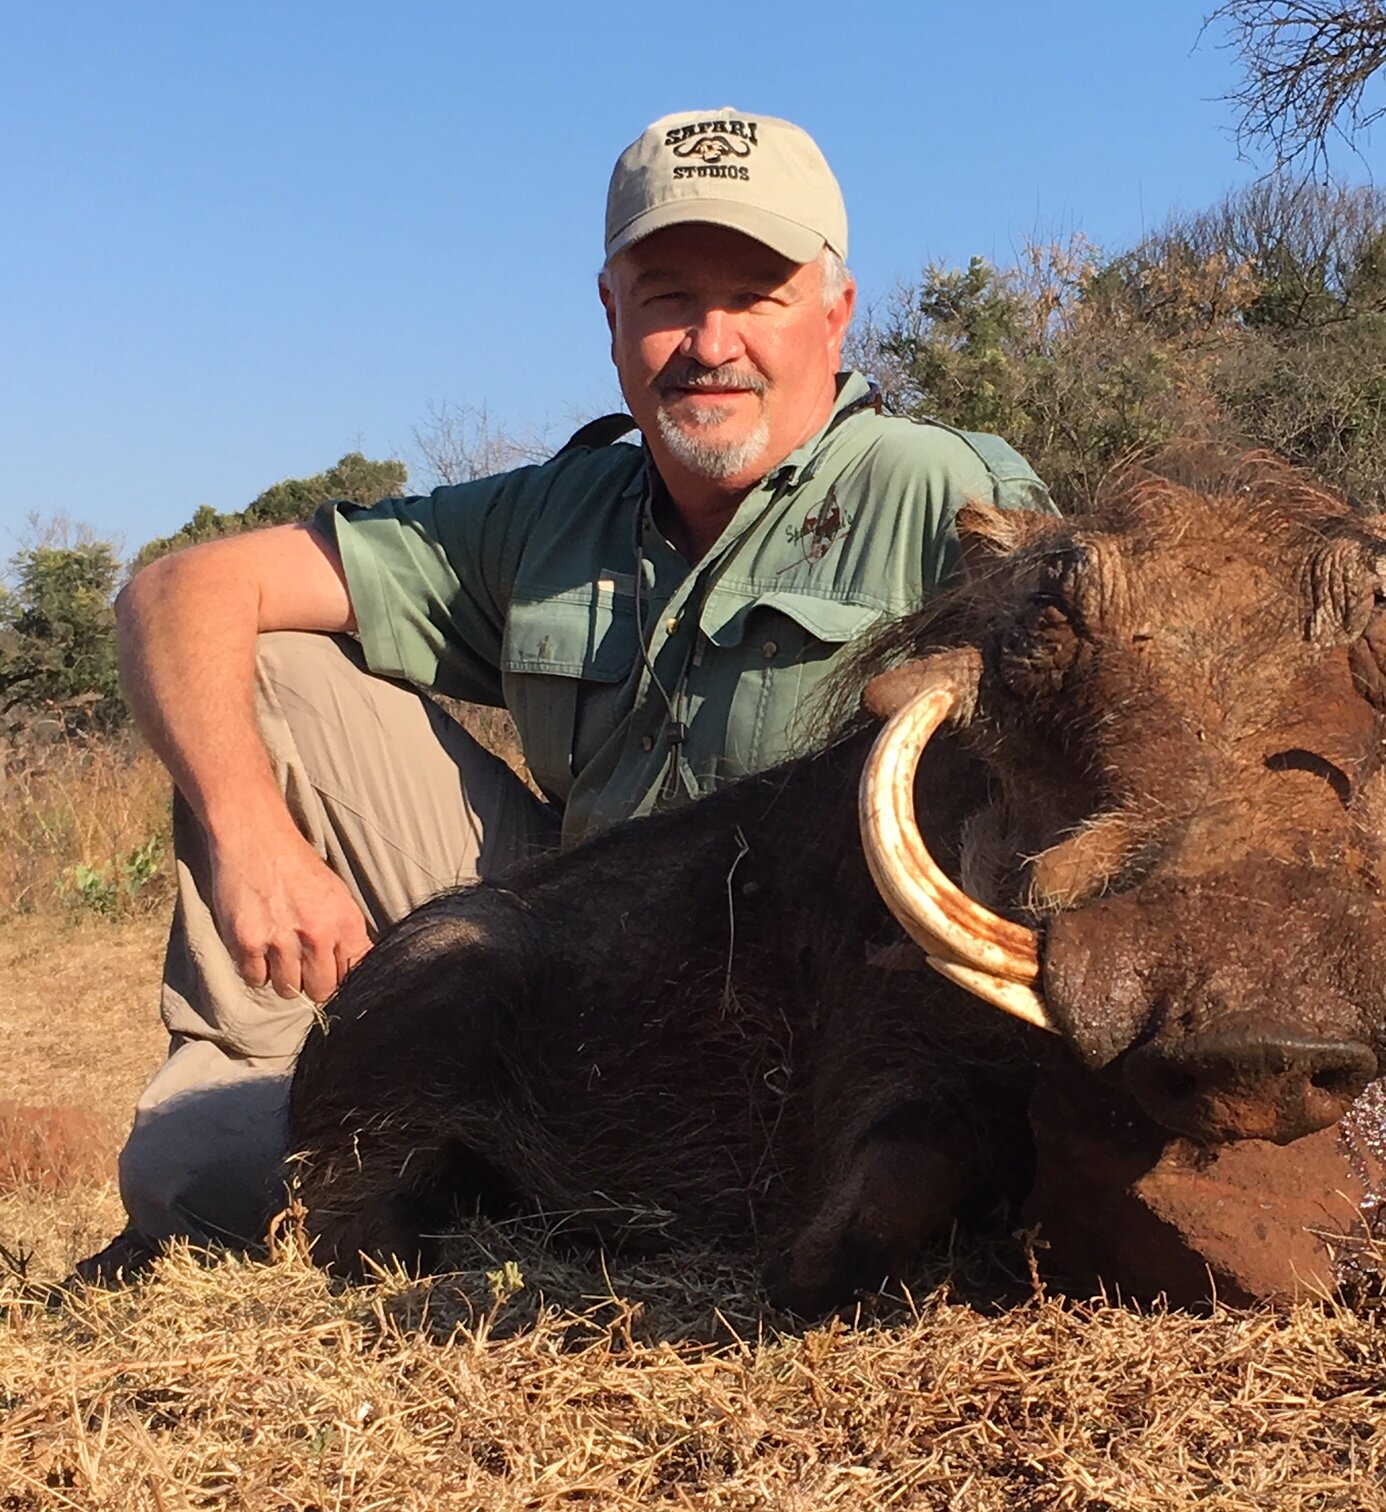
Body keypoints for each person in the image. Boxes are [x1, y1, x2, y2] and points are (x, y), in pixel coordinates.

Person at [85, 108, 1055, 1279]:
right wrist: (255, 836)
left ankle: (415, 1162)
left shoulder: (943, 489)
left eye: (756, 294)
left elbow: (1086, 714)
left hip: (795, 991)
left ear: (836, 315)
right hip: (572, 941)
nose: (710, 341)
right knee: (265, 672)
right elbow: (178, 590)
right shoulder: (550, 510)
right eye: (666, 296)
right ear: (610, 315)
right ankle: (256, 1099)